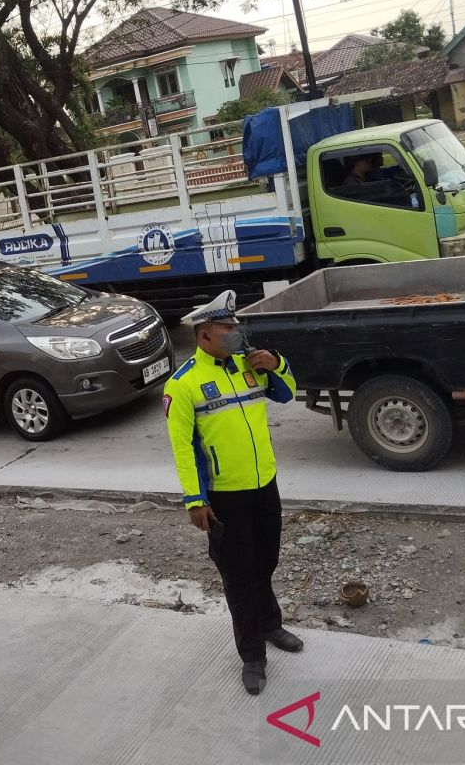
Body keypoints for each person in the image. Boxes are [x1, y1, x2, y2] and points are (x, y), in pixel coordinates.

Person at [162, 290, 301, 696]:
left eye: (235, 325)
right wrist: (194, 499)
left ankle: (271, 624)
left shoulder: (250, 365)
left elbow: (287, 392)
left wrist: (278, 365)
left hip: (264, 485)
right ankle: (252, 655)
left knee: (266, 561)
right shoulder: (184, 383)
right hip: (224, 496)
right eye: (227, 327)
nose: (236, 332)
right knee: (239, 575)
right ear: (205, 334)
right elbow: (183, 447)